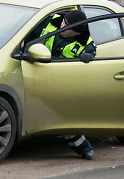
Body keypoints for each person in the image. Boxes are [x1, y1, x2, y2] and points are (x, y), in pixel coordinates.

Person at [39, 10, 96, 160]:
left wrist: (88, 58)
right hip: (36, 73)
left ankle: (84, 148)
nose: (62, 26)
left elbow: (92, 61)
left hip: (60, 83)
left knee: (64, 117)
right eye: (64, 21)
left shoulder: (86, 44)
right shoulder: (51, 22)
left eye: (67, 26)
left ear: (76, 33)